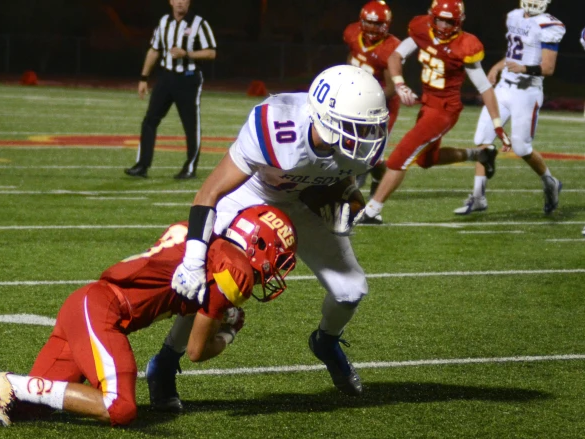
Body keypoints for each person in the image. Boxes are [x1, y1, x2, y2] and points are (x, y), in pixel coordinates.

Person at [0, 205, 297, 427]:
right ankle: (7, 381)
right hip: (102, 310)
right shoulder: (234, 270)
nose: (276, 268)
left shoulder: (204, 244)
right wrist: (228, 334)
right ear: (258, 244)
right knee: (120, 406)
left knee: (26, 407)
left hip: (86, 304)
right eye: (278, 256)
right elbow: (195, 350)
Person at [146, 64, 390, 412]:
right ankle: (165, 362)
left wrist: (348, 199)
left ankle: (326, 341)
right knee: (207, 283)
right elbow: (209, 193)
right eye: (358, 127)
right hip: (251, 193)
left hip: (299, 203)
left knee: (350, 290)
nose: (368, 135)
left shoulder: (355, 140)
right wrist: (194, 260)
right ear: (325, 117)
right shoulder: (276, 125)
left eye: (371, 126)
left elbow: (339, 179)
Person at [356, 0, 513, 225]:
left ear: (459, 21)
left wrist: (497, 124)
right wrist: (400, 84)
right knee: (427, 160)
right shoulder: (421, 29)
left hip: (444, 110)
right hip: (427, 104)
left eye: (449, 21)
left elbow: (484, 88)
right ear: (432, 16)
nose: (444, 25)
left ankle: (372, 210)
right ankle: (480, 155)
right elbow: (395, 57)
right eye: (440, 19)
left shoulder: (465, 45)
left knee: (401, 155)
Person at [455, 0, 565, 216]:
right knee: (482, 141)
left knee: (522, 148)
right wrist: (497, 67)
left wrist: (523, 68)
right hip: (504, 88)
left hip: (527, 92)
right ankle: (478, 197)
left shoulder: (549, 25)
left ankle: (550, 182)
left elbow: (548, 67)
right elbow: (514, 54)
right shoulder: (514, 16)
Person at [124, 0, 217, 180]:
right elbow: (154, 50)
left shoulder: (199, 23)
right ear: (171, 2)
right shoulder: (164, 22)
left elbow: (211, 52)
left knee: (190, 125)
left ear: (189, 2)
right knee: (150, 120)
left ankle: (189, 167)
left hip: (188, 78)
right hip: (166, 77)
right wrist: (144, 78)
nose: (180, 2)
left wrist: (187, 54)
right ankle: (142, 165)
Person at [344, 0, 401, 201]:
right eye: (368, 23)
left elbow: (392, 89)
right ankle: (350, 185)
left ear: (386, 25)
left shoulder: (391, 47)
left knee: (372, 155)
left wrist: (366, 99)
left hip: (382, 106)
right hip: (356, 100)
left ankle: (375, 182)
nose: (372, 28)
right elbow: (352, 57)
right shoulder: (352, 33)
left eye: (377, 24)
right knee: (349, 144)